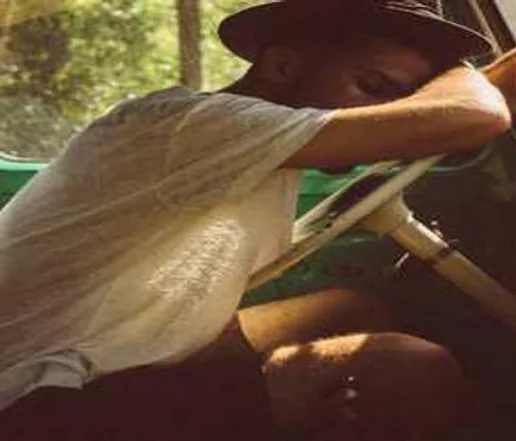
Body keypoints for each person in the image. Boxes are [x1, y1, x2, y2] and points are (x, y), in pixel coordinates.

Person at [0, 0, 515, 439]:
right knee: (411, 369)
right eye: (373, 85)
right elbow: (478, 115)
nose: (389, 115)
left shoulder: (262, 151)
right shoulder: (189, 126)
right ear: (284, 68)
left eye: (404, 99)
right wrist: (455, 74)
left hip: (112, 351)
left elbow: (204, 309)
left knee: (348, 309)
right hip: (36, 397)